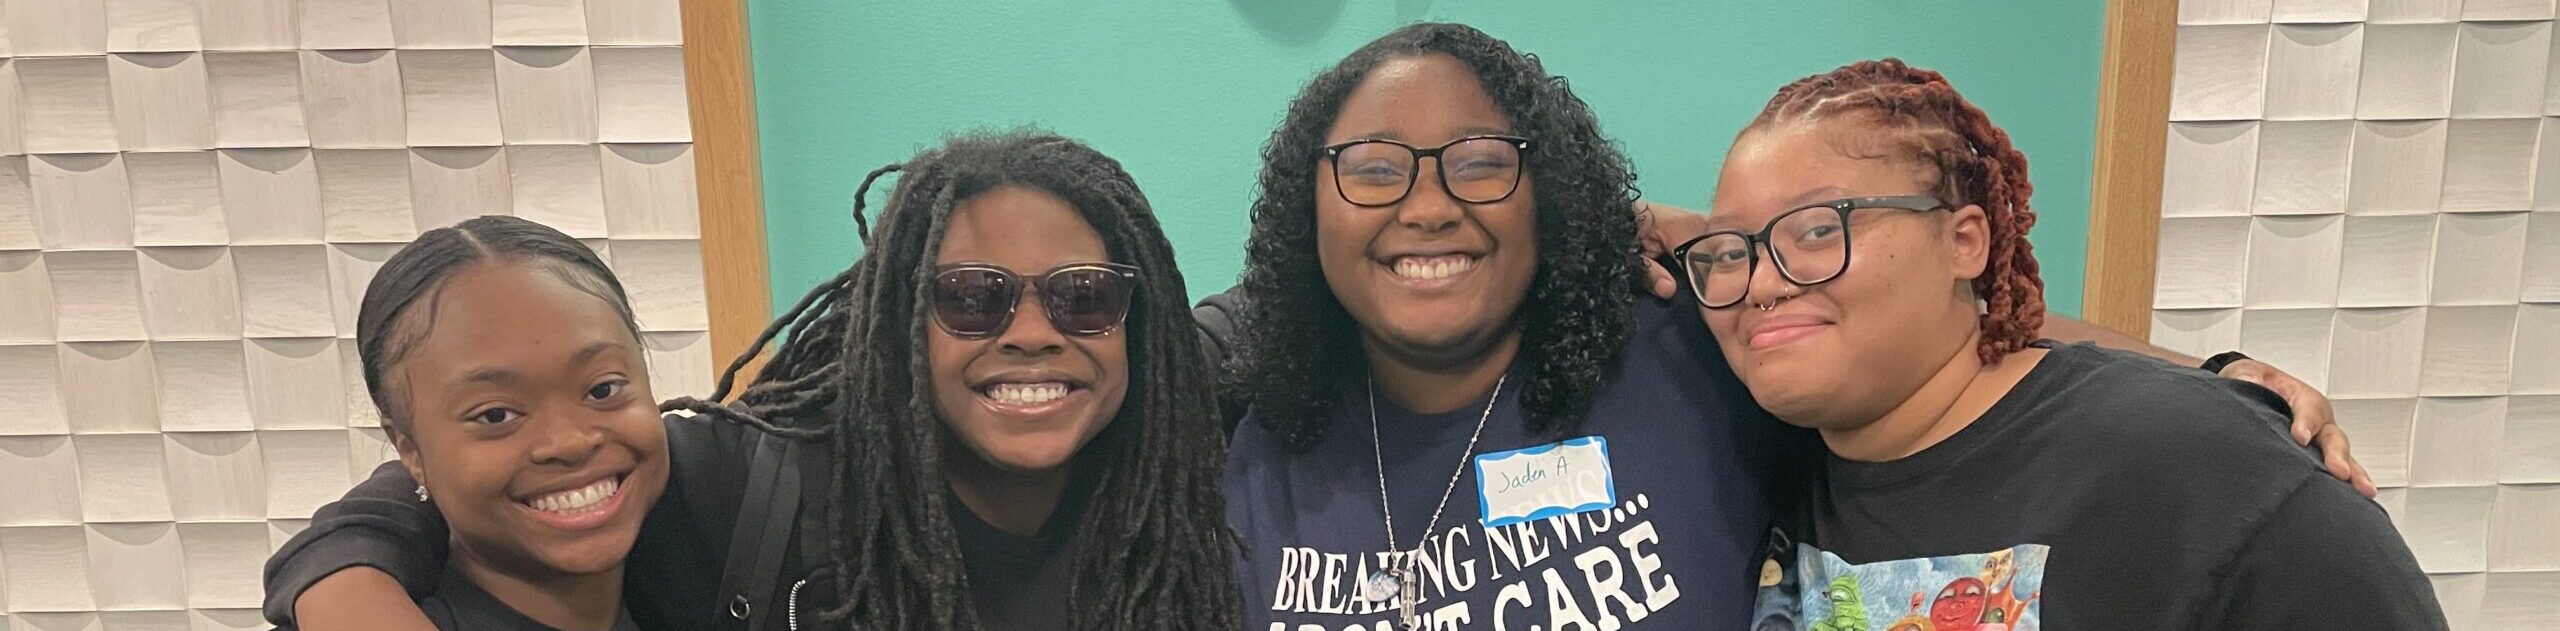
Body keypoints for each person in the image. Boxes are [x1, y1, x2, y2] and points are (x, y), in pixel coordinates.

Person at [1214, 23, 2371, 630]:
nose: (1428, 201)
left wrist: (2209, 377)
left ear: (1549, 196)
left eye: (1479, 163)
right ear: (1304, 207)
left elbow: (1934, 343)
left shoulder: (1675, 352)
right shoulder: (1252, 438)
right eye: (1370, 168)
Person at [264, 131, 1242, 630]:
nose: (1034, 334)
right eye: (972, 297)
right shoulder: (746, 482)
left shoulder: (1174, 423)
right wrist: (347, 589)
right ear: (896, 322)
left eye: (1082, 296)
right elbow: (497, 466)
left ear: (1134, 315)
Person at [1682, 59, 2443, 629]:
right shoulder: (1755, 466)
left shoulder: (2210, 469)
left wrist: (2224, 381)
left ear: (1966, 241)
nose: (1758, 281)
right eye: (1727, 252)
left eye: (1819, 229)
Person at [311, 215, 671, 631]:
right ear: (410, 450)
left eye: (603, 389)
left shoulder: (713, 557)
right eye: (495, 415)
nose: (570, 441)